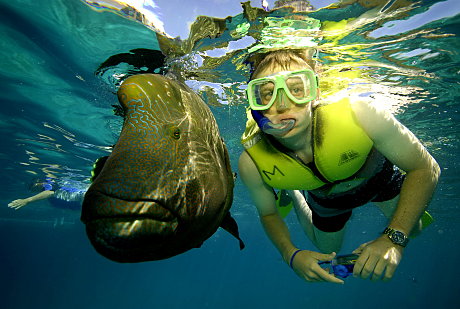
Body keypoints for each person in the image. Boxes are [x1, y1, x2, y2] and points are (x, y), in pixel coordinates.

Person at [238, 49, 440, 284]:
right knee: (325, 247)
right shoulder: (251, 164)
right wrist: (291, 254)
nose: (283, 106)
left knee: (412, 229)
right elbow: (269, 213)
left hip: (375, 179)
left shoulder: (363, 114)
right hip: (325, 197)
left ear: (315, 93)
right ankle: (294, 192)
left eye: (296, 89)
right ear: (256, 105)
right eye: (267, 94)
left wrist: (392, 239)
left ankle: (293, 187)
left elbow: (426, 168)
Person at [8, 178, 87, 210]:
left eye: (32, 186)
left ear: (39, 182)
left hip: (82, 196)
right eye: (31, 189)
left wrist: (27, 200)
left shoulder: (47, 184)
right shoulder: (50, 199)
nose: (33, 189)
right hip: (82, 202)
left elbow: (50, 193)